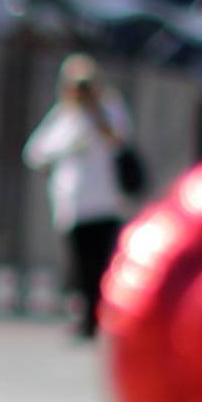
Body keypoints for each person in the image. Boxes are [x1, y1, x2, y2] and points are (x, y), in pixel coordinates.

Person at [23, 53, 132, 339]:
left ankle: (96, 317)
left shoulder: (108, 108)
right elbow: (36, 153)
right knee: (80, 263)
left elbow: (120, 140)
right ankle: (85, 316)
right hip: (73, 203)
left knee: (101, 264)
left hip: (105, 202)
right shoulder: (63, 115)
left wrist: (95, 114)